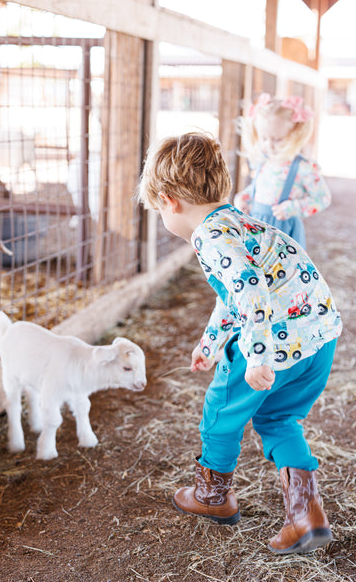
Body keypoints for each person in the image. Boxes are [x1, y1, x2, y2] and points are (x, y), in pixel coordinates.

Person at [138, 132, 342, 555]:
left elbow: (250, 292)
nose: (163, 216)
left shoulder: (211, 237)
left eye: (158, 209)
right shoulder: (240, 224)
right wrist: (210, 343)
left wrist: (256, 357)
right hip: (318, 339)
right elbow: (236, 294)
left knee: (220, 411)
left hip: (274, 344)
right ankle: (307, 516)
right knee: (279, 420)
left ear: (169, 200)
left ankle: (212, 496)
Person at [234, 93, 331, 248]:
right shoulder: (264, 162)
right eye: (264, 138)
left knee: (280, 271)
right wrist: (244, 197)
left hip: (283, 231)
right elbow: (259, 188)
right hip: (255, 225)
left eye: (277, 139)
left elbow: (322, 198)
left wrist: (293, 208)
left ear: (294, 135)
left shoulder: (303, 167)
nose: (269, 145)